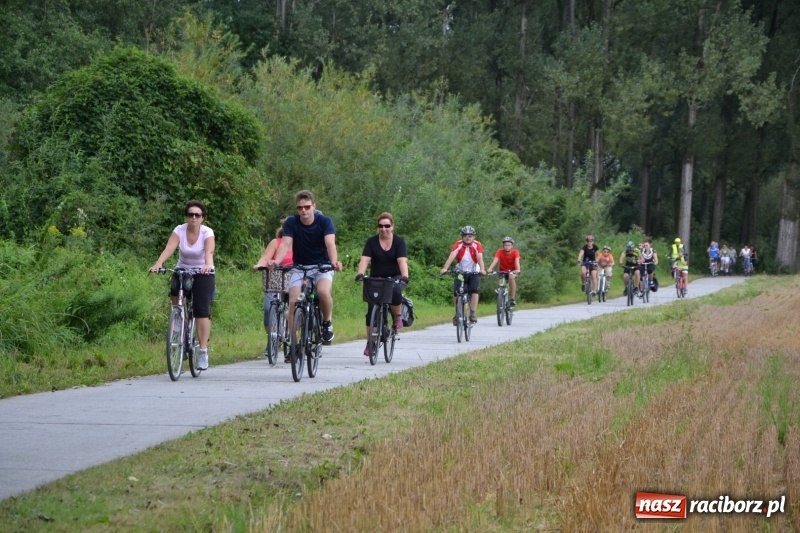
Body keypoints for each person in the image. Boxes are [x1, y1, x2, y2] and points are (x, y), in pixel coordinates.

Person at [268, 190, 343, 345]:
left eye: (307, 207)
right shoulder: (292, 222)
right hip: (300, 267)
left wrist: (334, 262)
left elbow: (330, 244)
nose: (304, 210)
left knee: (322, 291)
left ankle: (327, 323)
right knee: (293, 301)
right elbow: (286, 244)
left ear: (314, 206)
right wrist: (276, 261)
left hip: (322, 265)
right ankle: (292, 341)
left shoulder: (325, 222)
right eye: (300, 208)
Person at [149, 200, 215, 371]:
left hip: (202, 272)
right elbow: (170, 247)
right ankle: (178, 319)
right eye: (190, 214)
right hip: (182, 269)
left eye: (197, 215)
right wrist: (159, 263)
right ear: (186, 217)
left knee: (201, 311)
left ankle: (202, 351)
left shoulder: (207, 232)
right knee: (176, 296)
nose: (193, 217)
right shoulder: (179, 230)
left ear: (203, 218)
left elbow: (209, 252)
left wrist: (207, 265)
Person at [355, 212, 409, 357]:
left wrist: (405, 276)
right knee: (371, 309)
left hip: (395, 276)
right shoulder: (371, 242)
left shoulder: (399, 242)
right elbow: (365, 260)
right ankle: (371, 342)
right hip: (376, 278)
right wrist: (360, 273)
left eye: (387, 226)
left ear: (392, 226)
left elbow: (402, 261)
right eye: (380, 226)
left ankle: (397, 316)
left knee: (396, 290)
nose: (384, 229)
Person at [253, 219, 293, 362]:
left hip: (294, 279)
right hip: (276, 280)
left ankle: (292, 340)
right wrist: (259, 265)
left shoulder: (301, 242)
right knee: (268, 309)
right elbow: (265, 258)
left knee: (295, 309)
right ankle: (273, 338)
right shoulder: (276, 242)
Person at [440, 225, 486, 324]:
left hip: (474, 271)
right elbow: (451, 256)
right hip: (461, 271)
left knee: (474, 290)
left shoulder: (477, 245)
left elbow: (479, 258)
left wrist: (482, 269)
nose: (467, 238)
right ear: (462, 236)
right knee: (457, 291)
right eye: (465, 235)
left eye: (470, 236)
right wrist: (445, 268)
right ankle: (457, 313)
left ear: (473, 237)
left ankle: (472, 313)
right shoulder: (458, 244)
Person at [486, 236, 521, 306]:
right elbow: (495, 260)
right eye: (505, 245)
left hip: (512, 271)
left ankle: (512, 299)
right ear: (503, 246)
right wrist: (490, 268)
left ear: (512, 246)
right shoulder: (499, 251)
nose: (507, 246)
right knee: (500, 285)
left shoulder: (515, 252)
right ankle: (500, 299)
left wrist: (518, 269)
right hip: (502, 271)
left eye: (508, 245)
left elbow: (517, 261)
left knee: (511, 277)